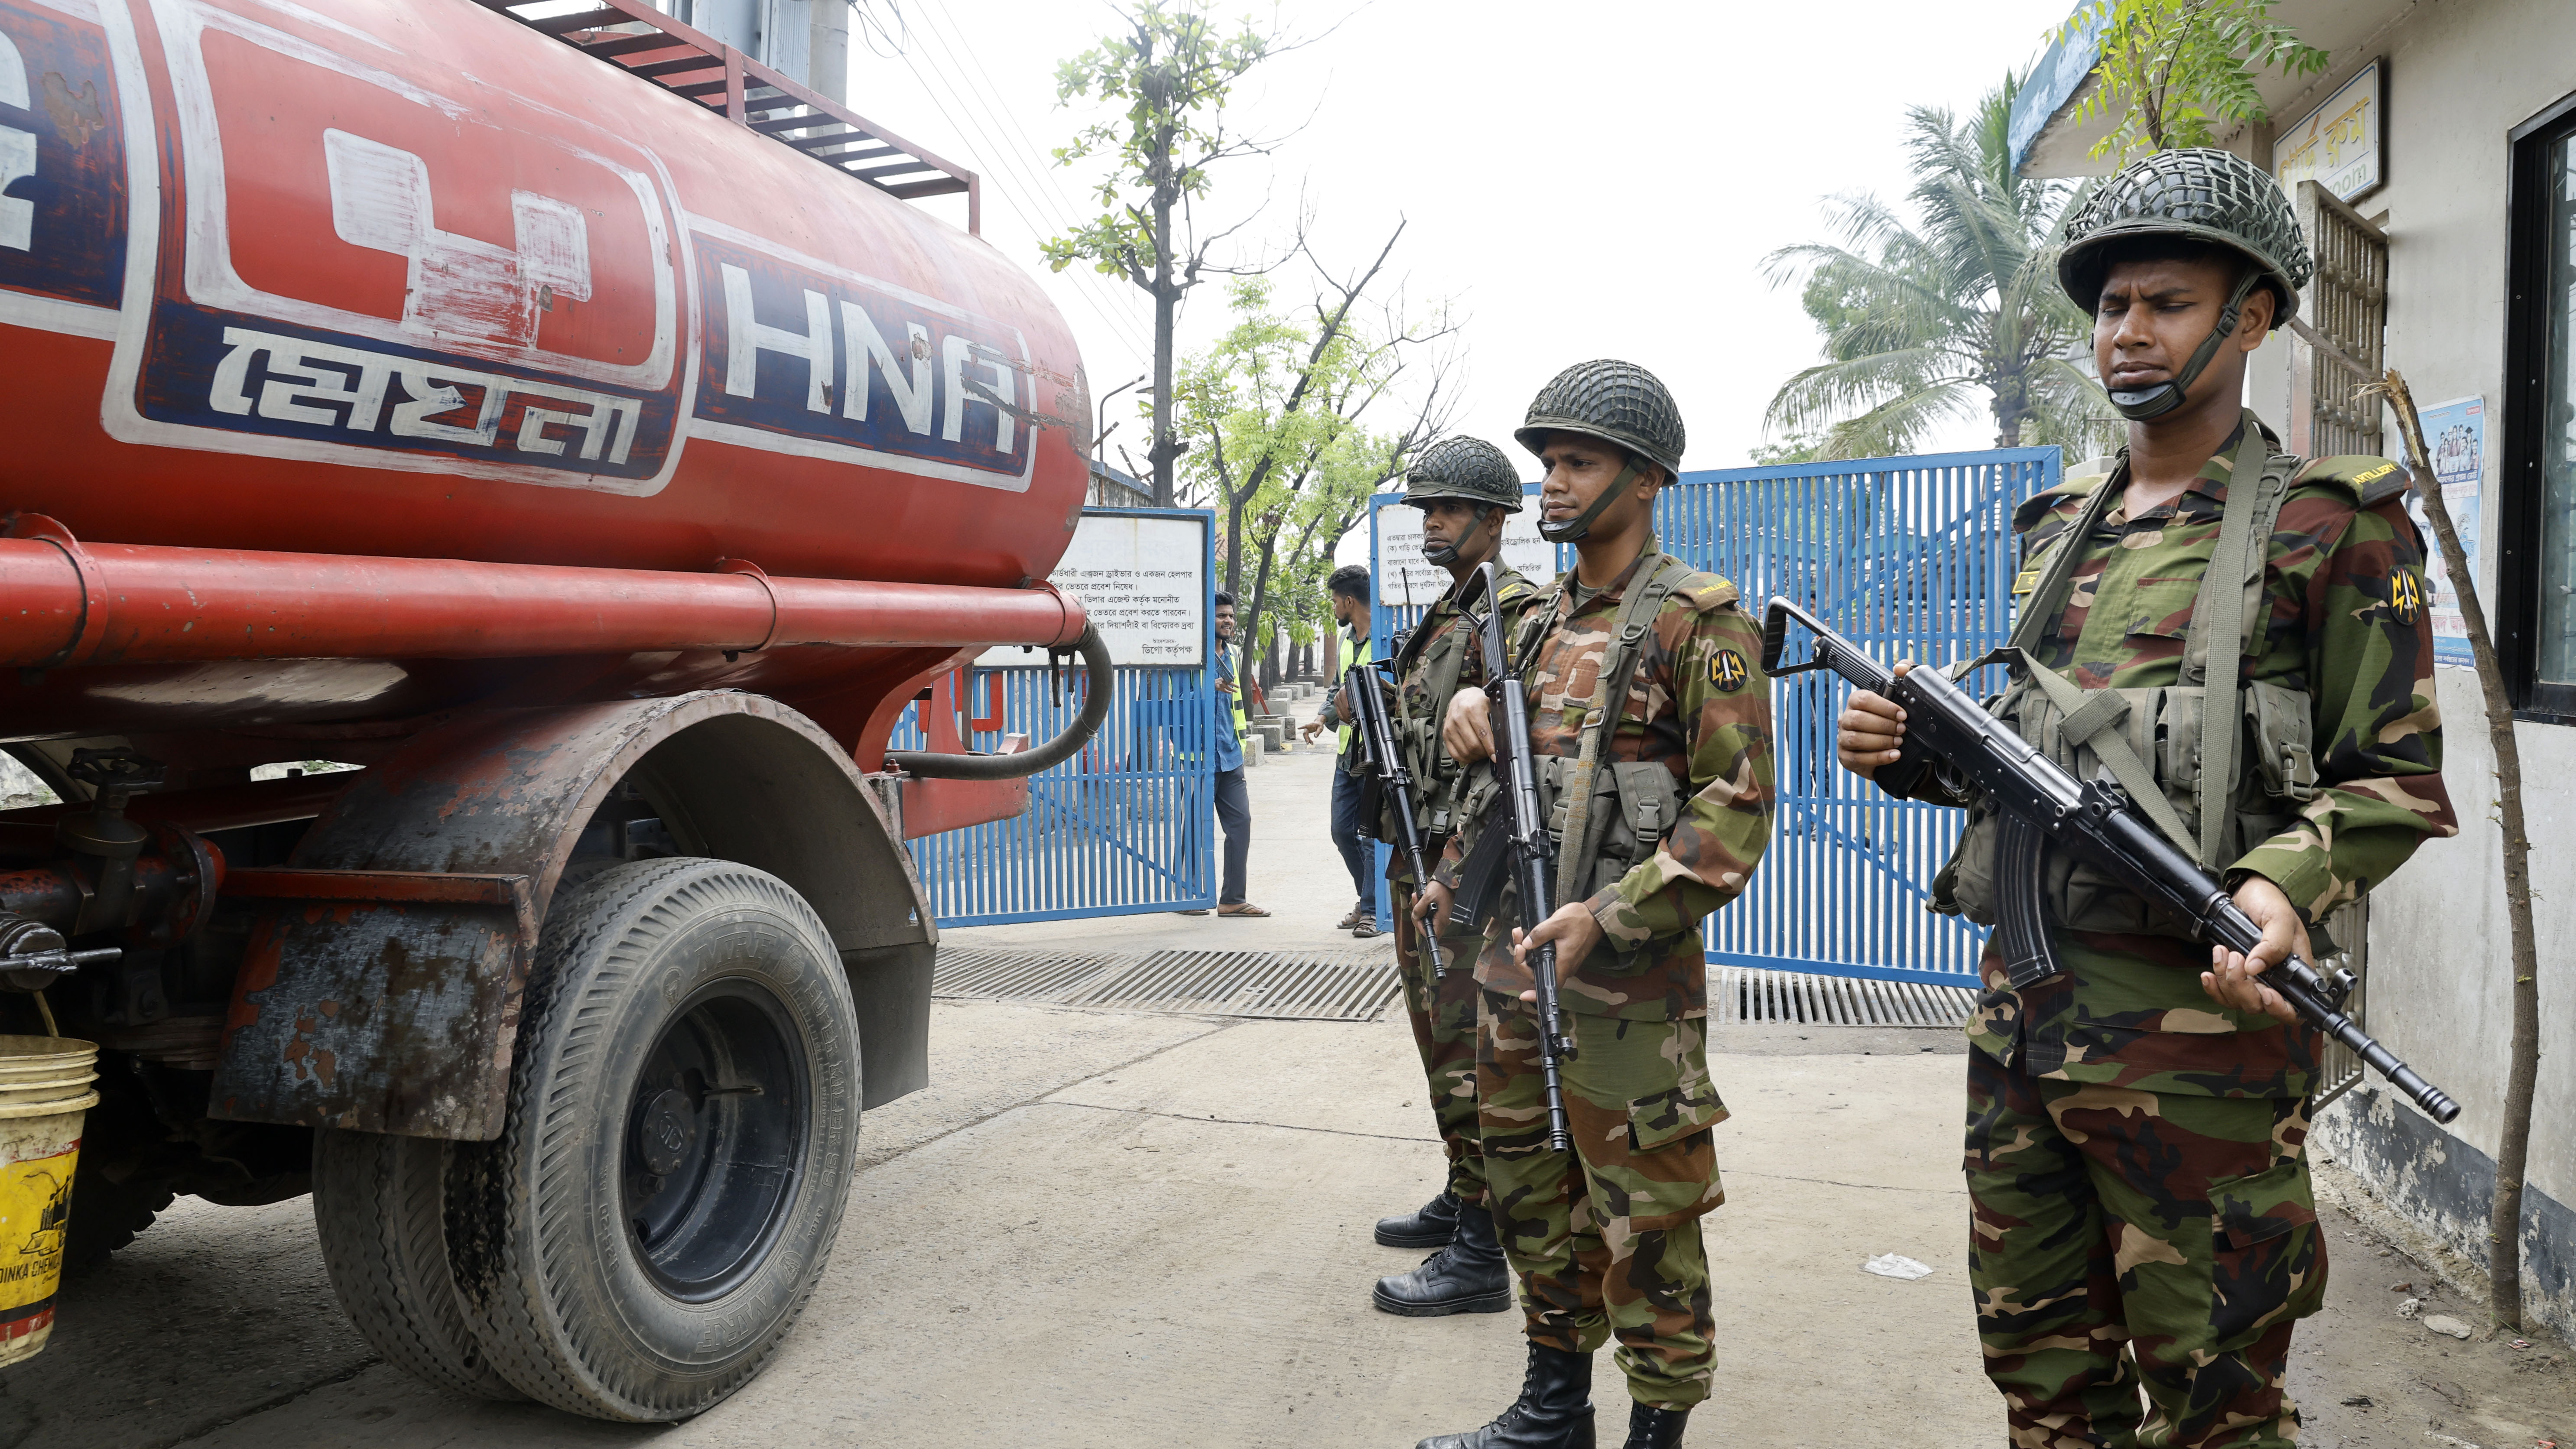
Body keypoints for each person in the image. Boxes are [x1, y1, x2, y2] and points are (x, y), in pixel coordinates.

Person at [1833, 148, 2456, 1449]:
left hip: (2203, 1061)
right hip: (2022, 1030)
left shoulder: (2335, 526)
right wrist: (1909, 750)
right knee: (2042, 1387)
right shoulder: (2056, 523)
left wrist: (2280, 888)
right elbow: (2025, 753)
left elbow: (2394, 776)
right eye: (2110, 306)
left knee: (2215, 1409)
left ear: (2250, 315)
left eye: (2163, 302)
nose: (2125, 331)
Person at [1416, 361, 1775, 1449]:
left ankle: (1655, 1429)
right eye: (1546, 465)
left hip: (1625, 986)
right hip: (1510, 968)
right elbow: (1504, 779)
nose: (1553, 484)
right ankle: (1551, 1406)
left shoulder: (1695, 621)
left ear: (1648, 477)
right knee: (1531, 1191)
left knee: (1646, 1216)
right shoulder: (1531, 621)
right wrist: (1450, 861)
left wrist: (1609, 916)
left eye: (1578, 462)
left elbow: (1734, 814)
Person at [1357, 437, 1540, 1320]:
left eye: (1448, 507)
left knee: (1470, 1056)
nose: (1429, 519)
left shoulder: (1512, 614)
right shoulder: (1446, 614)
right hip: (1416, 859)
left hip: (1462, 876)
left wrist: (1451, 869)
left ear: (1492, 520)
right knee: (1440, 1054)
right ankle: (1460, 1193)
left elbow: (1512, 764)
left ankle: (1479, 1249)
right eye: (1422, 506)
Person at [1302, 565, 1380, 936]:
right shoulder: (1348, 640)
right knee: (1342, 832)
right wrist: (1322, 717)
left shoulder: (1386, 637)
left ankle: (1373, 909)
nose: (1333, 608)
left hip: (1377, 754)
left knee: (1369, 835)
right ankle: (1367, 899)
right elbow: (1339, 688)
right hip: (1348, 754)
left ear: (1349, 601)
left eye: (1335, 601)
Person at [1198, 591, 1265, 917]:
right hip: (1195, 758)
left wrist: (1240, 744)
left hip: (1230, 755)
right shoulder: (1191, 655)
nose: (1227, 621)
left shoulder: (1234, 654)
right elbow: (1170, 698)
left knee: (1241, 824)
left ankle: (1232, 899)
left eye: (1230, 616)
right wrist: (1206, 688)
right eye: (1220, 615)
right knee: (1195, 828)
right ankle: (1189, 895)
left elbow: (1236, 704)